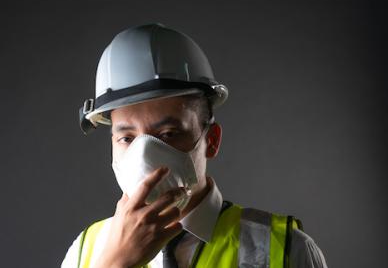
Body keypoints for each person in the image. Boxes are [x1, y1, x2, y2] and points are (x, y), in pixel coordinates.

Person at [62, 23, 327, 268]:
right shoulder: (86, 251)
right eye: (127, 138)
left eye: (167, 134)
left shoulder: (285, 249)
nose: (143, 155)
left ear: (211, 141)